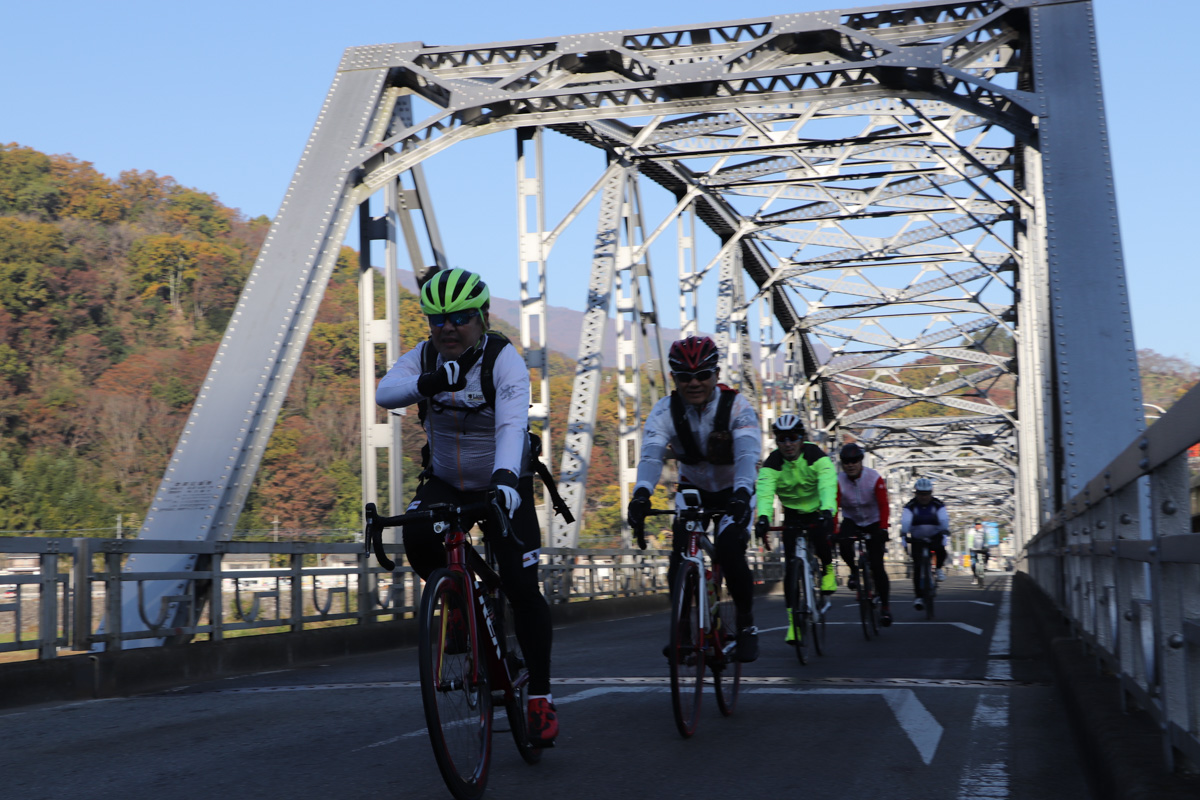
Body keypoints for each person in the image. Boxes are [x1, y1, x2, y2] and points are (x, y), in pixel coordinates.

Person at [375, 267, 558, 747]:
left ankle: (539, 697)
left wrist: (502, 482)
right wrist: (431, 382)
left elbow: (511, 427)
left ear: (480, 317)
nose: (447, 327)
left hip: (503, 479)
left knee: (521, 587)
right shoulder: (424, 357)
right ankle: (463, 606)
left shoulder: (504, 361)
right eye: (437, 319)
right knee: (417, 535)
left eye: (459, 318)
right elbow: (384, 393)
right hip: (447, 481)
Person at [627, 335, 763, 662]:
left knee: (730, 548)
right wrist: (641, 494)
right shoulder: (665, 410)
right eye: (684, 376)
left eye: (703, 374)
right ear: (674, 378)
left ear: (716, 374)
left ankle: (746, 625)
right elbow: (650, 456)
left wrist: (744, 494)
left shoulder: (738, 407)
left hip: (736, 488)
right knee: (680, 550)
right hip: (694, 488)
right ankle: (683, 628)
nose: (695, 382)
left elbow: (747, 455)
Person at [754, 413, 837, 643]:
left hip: (816, 508)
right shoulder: (772, 463)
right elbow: (765, 492)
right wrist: (763, 517)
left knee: (821, 539)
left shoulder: (815, 455)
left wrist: (829, 510)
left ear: (802, 438)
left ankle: (828, 571)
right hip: (791, 513)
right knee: (790, 569)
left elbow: (828, 482)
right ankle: (793, 624)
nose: (788, 444)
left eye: (793, 437)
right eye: (781, 439)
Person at [833, 442, 892, 626]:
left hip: (873, 521)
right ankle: (853, 571)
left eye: (854, 461)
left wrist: (883, 528)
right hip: (852, 520)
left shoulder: (874, 478)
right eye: (846, 462)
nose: (850, 465)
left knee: (877, 565)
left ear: (861, 461)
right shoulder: (838, 481)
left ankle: (885, 607)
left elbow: (884, 505)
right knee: (843, 543)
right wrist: (834, 530)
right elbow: (833, 507)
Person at [899, 477, 949, 610]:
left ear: (931, 493)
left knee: (941, 550)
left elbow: (944, 519)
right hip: (917, 539)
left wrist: (944, 533)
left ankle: (938, 569)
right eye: (921, 494)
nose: (923, 497)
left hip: (934, 535)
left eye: (926, 494)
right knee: (917, 567)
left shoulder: (938, 505)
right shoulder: (910, 506)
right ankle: (919, 597)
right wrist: (904, 535)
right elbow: (905, 522)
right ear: (916, 494)